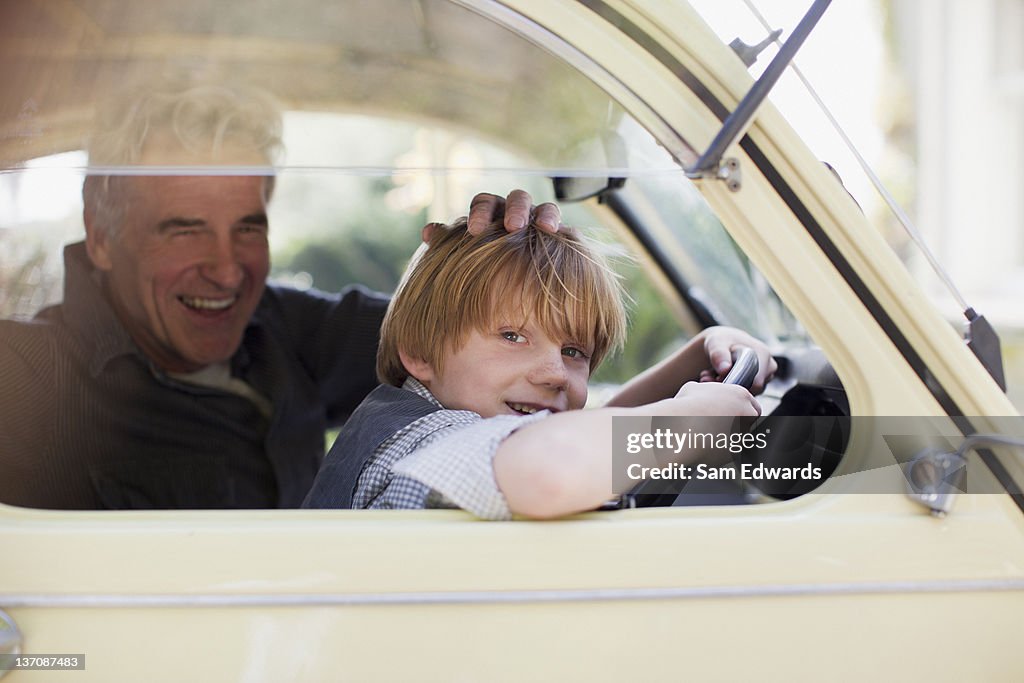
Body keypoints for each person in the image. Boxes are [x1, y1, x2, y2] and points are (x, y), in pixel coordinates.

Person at [0, 79, 560, 510]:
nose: (226, 271)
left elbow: (508, 362)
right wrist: (648, 447)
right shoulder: (23, 374)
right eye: (185, 229)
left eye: (248, 228)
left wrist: (504, 261)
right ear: (102, 239)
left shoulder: (286, 326)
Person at [302, 218, 775, 519]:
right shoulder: (424, 439)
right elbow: (555, 465)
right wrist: (692, 420)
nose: (553, 372)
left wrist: (699, 355)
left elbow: (580, 431)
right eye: (512, 337)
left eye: (574, 351)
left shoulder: (441, 408)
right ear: (420, 353)